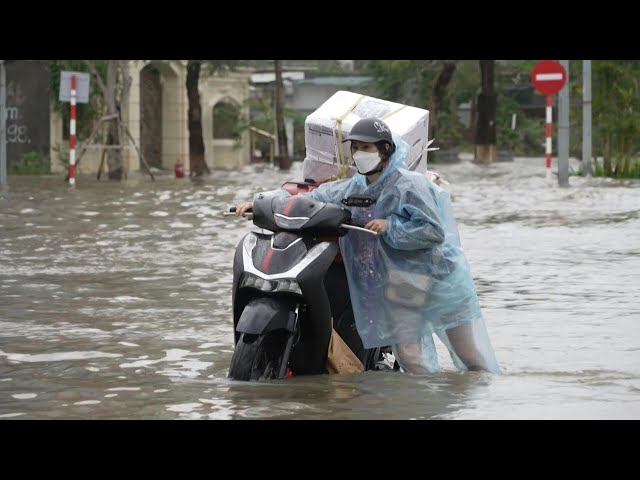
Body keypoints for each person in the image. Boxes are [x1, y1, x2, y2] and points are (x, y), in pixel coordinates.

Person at [236, 117, 500, 374]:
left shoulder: (411, 185)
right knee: (408, 356)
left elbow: (433, 232)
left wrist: (391, 227)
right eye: (355, 148)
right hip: (401, 284)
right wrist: (261, 203)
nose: (359, 153)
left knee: (468, 356)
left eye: (366, 148)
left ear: (384, 151)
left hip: (439, 278)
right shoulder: (352, 188)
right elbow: (310, 197)